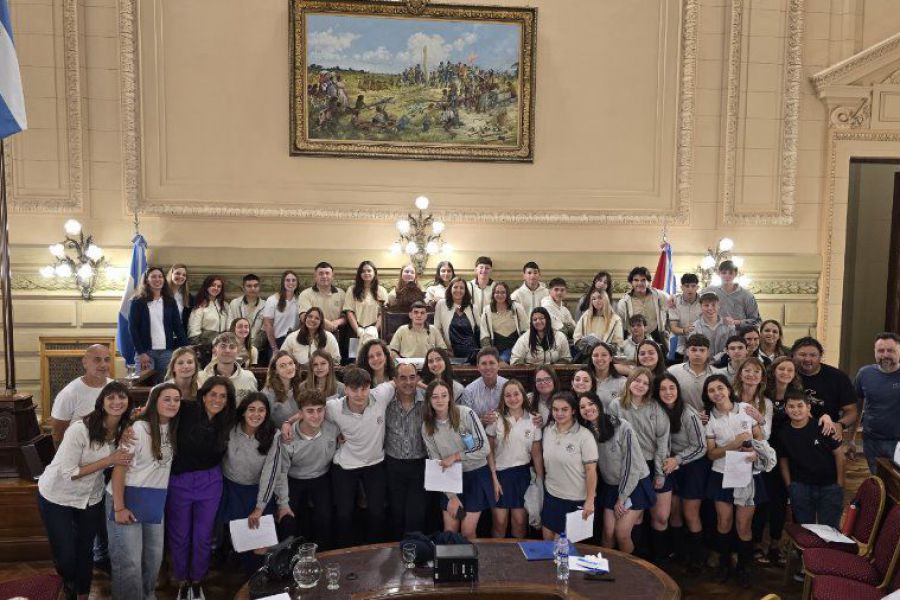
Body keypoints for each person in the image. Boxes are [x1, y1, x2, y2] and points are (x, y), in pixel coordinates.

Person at [38, 381, 133, 600]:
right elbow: (69, 472)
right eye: (111, 397)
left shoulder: (125, 429)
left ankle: (82, 594)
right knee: (66, 557)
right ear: (102, 402)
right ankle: (68, 584)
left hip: (91, 497)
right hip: (57, 496)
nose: (117, 402)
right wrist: (109, 459)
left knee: (85, 550)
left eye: (122, 397)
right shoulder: (80, 429)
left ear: (128, 402)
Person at [107, 383, 180, 600]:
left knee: (154, 558)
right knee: (129, 562)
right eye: (166, 399)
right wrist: (119, 508)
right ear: (154, 401)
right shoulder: (139, 429)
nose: (172, 403)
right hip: (126, 498)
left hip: (154, 501)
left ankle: (147, 596)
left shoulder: (175, 427)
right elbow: (119, 469)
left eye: (176, 399)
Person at [166, 376, 235, 600]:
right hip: (180, 480)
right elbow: (157, 408)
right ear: (203, 395)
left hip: (211, 481)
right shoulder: (185, 409)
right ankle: (182, 581)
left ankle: (197, 580)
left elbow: (259, 418)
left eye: (223, 396)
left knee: (203, 535)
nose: (217, 399)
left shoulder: (228, 420)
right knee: (180, 534)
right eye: (213, 394)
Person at [703, 374, 766, 588]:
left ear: (729, 389)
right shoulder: (709, 419)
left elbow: (760, 439)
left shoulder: (745, 409)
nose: (717, 393)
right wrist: (734, 443)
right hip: (721, 474)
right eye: (711, 390)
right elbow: (711, 454)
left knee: (743, 525)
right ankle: (724, 563)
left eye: (720, 387)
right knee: (724, 522)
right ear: (708, 396)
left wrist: (757, 451)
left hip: (748, 474)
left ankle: (744, 567)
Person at [221, 394, 292, 573]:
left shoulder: (273, 435)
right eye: (251, 409)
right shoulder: (230, 429)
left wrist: (260, 507)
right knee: (240, 540)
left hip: (259, 491)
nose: (256, 414)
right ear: (243, 412)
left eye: (261, 410)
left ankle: (264, 581)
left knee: (261, 544)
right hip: (232, 490)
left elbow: (271, 473)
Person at [265, 388, 339, 550]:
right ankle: (289, 557)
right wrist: (283, 503)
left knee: (325, 518)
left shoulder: (332, 429)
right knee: (288, 519)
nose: (316, 415)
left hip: (321, 476)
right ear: (300, 413)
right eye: (310, 411)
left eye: (320, 410)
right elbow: (281, 472)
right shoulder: (287, 437)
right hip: (294, 478)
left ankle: (323, 555)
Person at [580, 391, 654, 554]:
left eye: (591, 404)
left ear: (599, 405)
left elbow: (632, 464)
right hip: (611, 485)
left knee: (621, 534)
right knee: (607, 533)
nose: (587, 409)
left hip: (634, 484)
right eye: (582, 407)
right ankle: (605, 572)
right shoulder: (586, 432)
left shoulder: (622, 426)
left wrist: (622, 496)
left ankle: (632, 575)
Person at [609, 368, 669, 560]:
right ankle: (638, 560)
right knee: (634, 517)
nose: (640, 385)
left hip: (650, 464)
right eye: (637, 381)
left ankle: (655, 559)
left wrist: (659, 473)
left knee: (654, 515)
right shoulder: (616, 406)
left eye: (645, 383)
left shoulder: (655, 407)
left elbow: (662, 441)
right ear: (629, 382)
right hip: (626, 468)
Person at [422, 379, 494, 539]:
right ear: (429, 400)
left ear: (450, 397)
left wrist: (455, 457)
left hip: (475, 475)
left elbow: (484, 448)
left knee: (468, 532)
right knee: (450, 531)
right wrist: (451, 497)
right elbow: (436, 463)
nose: (439, 400)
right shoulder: (427, 426)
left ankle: (471, 564)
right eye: (434, 397)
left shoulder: (466, 413)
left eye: (443, 395)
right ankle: (450, 564)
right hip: (449, 479)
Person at [655, 374, 708, 571]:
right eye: (663, 389)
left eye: (672, 388)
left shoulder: (688, 413)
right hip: (670, 463)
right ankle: (678, 552)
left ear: (678, 390)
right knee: (674, 512)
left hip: (692, 464)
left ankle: (697, 558)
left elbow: (701, 446)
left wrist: (677, 460)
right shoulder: (657, 410)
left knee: (690, 513)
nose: (668, 392)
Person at [777, 391, 845, 529]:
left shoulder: (823, 427)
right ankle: (807, 552)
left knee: (830, 529)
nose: (795, 410)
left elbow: (839, 455)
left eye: (800, 406)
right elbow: (783, 461)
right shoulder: (783, 433)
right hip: (800, 487)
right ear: (786, 409)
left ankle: (829, 551)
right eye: (791, 406)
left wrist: (840, 483)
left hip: (829, 487)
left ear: (808, 408)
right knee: (805, 529)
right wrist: (789, 485)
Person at [488, 379, 545, 538]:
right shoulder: (496, 418)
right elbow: (489, 451)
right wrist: (493, 478)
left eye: (516, 394)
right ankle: (497, 561)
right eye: (508, 395)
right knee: (499, 521)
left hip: (521, 475)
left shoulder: (533, 420)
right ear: (503, 398)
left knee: (520, 522)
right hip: (499, 474)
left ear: (523, 395)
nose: (513, 398)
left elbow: (536, 454)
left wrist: (540, 480)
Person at [540, 392, 598, 540]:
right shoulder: (547, 431)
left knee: (562, 549)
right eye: (555, 409)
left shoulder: (585, 436)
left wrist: (590, 500)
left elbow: (591, 470)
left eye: (564, 409)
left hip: (574, 500)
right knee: (547, 542)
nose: (559, 413)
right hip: (552, 497)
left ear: (573, 410)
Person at [383, 363, 429, 539]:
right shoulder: (385, 402)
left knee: (415, 516)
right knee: (396, 514)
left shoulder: (427, 401)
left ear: (417, 379)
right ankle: (397, 558)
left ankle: (415, 554)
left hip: (420, 466)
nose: (408, 382)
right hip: (393, 465)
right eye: (402, 377)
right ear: (394, 380)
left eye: (412, 377)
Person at [792, 336, 858, 445]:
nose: (807, 359)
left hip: (826, 434)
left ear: (820, 356)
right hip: (792, 434)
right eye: (802, 355)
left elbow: (851, 410)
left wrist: (840, 425)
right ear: (793, 355)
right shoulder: (787, 375)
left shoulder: (838, 377)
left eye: (813, 355)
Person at [129, 266, 188, 384]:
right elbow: (133, 328)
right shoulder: (138, 301)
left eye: (160, 276)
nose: (158, 279)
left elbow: (178, 327)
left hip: (166, 352)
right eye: (154, 277)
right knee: (141, 386)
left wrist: (186, 347)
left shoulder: (170, 301)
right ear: (147, 280)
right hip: (146, 352)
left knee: (164, 386)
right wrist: (140, 352)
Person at [854, 332, 900, 473]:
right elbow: (857, 407)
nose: (885, 355)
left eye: (890, 350)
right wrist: (851, 438)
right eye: (880, 350)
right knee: (877, 483)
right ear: (874, 352)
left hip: (898, 443)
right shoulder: (864, 374)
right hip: (872, 441)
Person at [51, 344, 114, 446]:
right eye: (97, 360)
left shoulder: (116, 388)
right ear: (85, 363)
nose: (103, 365)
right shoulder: (68, 394)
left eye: (107, 360)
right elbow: (57, 435)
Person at [615, 266, 669, 352]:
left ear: (648, 282)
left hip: (656, 335)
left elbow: (672, 308)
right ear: (631, 283)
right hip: (634, 338)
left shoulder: (660, 296)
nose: (640, 283)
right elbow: (621, 326)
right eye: (636, 280)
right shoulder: (623, 302)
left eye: (643, 280)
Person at [197, 332, 259, 403]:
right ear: (214, 350)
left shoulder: (249, 378)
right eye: (223, 346)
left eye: (232, 347)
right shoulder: (201, 378)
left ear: (238, 351)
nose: (227, 350)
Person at [434, 276, 481, 363]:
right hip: (450, 352)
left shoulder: (473, 307)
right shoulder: (441, 304)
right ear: (450, 289)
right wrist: (444, 349)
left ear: (465, 291)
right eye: (455, 287)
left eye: (462, 288)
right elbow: (437, 329)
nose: (458, 290)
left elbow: (481, 329)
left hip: (471, 353)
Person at [701, 260, 761, 328]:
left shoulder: (747, 295)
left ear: (735, 274)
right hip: (714, 334)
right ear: (719, 273)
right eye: (724, 273)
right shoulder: (708, 291)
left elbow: (756, 321)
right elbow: (699, 311)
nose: (727, 275)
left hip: (738, 335)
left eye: (730, 273)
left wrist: (737, 322)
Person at [667, 334, 717, 414]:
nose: (697, 354)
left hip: (710, 419)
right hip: (681, 419)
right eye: (693, 350)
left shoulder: (717, 374)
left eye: (702, 350)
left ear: (708, 353)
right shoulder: (673, 371)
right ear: (687, 352)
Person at [479, 282, 528, 363]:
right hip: (495, 349)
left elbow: (525, 330)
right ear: (493, 294)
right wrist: (490, 354)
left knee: (505, 360)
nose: (500, 295)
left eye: (503, 292)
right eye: (497, 292)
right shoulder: (487, 310)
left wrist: (523, 350)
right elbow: (484, 335)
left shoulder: (517, 308)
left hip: (515, 348)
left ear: (507, 294)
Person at [261, 270, 301, 366]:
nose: (291, 283)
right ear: (283, 282)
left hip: (294, 342)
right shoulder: (272, 300)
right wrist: (274, 348)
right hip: (277, 342)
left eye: (293, 280)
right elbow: (267, 324)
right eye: (287, 280)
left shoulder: (300, 299)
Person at [344, 261, 388, 346]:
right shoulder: (352, 290)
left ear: (374, 273)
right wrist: (357, 330)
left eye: (369, 271)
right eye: (363, 271)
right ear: (359, 274)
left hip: (374, 330)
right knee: (354, 357)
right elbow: (349, 312)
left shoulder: (382, 290)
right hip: (355, 330)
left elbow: (383, 313)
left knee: (373, 356)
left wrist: (375, 329)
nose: (366, 273)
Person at [463, 347, 509, 426]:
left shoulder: (508, 386)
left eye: (491, 363)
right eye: (484, 363)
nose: (488, 367)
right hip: (478, 434)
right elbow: (465, 420)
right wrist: (481, 421)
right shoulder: (469, 391)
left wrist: (499, 418)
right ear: (478, 367)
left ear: (498, 365)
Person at [297, 262, 346, 336]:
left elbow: (347, 315)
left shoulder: (341, 293)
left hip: (337, 334)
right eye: (320, 273)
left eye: (327, 273)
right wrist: (327, 324)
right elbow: (304, 316)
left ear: (332, 276)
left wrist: (336, 323)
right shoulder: (305, 294)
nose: (324, 276)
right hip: (312, 335)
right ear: (315, 276)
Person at [573, 289, 624, 358]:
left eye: (600, 298)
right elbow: (577, 339)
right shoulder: (585, 316)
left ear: (605, 299)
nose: (597, 301)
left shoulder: (615, 319)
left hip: (607, 357)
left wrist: (602, 349)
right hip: (588, 355)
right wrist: (590, 349)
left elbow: (618, 343)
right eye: (593, 299)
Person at [226, 274, 266, 356]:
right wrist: (237, 344)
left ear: (259, 287)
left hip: (256, 346)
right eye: (249, 286)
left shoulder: (265, 305)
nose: (253, 289)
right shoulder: (235, 303)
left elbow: (263, 331)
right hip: (235, 345)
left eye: (256, 286)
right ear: (243, 287)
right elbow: (229, 325)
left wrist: (251, 347)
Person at [667, 273, 702, 364]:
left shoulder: (703, 301)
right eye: (687, 286)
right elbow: (673, 328)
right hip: (679, 341)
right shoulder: (674, 302)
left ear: (697, 287)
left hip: (699, 342)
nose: (690, 289)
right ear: (682, 287)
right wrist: (685, 330)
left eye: (693, 286)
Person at [262, 351, 303, 426]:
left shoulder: (301, 387)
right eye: (282, 366)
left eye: (291, 363)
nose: (289, 368)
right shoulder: (267, 394)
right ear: (275, 371)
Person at [187, 275, 228, 345]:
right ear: (206, 286)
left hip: (222, 345)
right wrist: (199, 345)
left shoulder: (225, 305)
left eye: (219, 286)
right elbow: (194, 330)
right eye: (213, 285)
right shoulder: (200, 304)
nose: (216, 288)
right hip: (205, 345)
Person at [692, 292, 734, 359]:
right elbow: (693, 349)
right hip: (702, 362)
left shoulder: (729, 325)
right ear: (701, 307)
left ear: (719, 306)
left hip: (724, 362)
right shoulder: (695, 327)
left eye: (713, 305)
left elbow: (732, 346)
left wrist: (716, 359)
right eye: (706, 305)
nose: (710, 308)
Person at [587, 342, 626, 410]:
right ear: (591, 358)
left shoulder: (622, 382)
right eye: (595, 355)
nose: (599, 358)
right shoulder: (585, 381)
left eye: (604, 355)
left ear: (610, 358)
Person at [167, 263, 192, 329]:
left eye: (184, 275)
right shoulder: (162, 293)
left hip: (179, 334)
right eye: (177, 273)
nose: (181, 276)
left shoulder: (188, 297)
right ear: (171, 274)